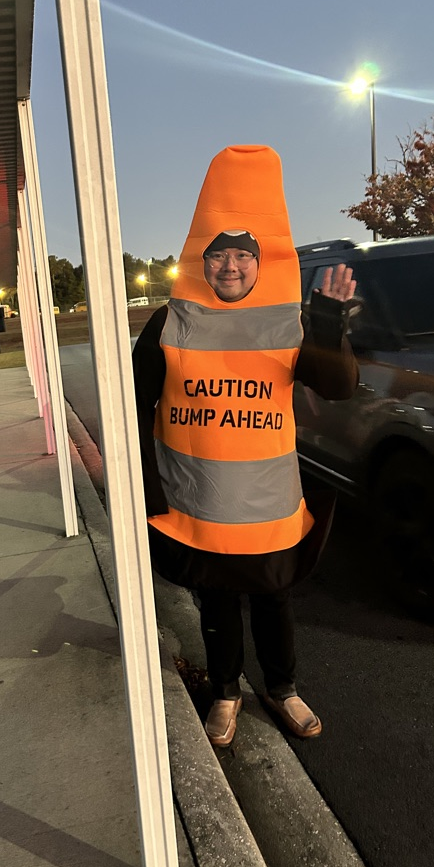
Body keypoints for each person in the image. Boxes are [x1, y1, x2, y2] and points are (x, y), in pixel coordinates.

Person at [132, 145, 358, 747]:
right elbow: (135, 404)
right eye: (218, 254)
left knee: (274, 599)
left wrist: (329, 322)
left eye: (242, 255)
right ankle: (226, 692)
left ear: (261, 263)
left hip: (266, 502)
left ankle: (281, 688)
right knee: (217, 602)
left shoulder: (288, 323)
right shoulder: (167, 324)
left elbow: (338, 386)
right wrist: (147, 486)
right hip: (198, 501)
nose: (229, 266)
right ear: (198, 261)